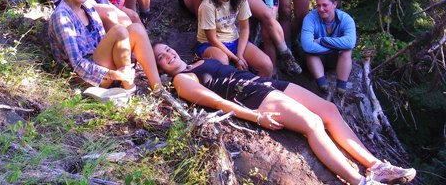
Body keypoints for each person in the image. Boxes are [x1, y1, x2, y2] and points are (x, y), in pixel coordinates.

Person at [153, 43, 416, 185]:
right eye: (162, 57)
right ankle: (360, 182)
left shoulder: (201, 60)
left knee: (329, 110)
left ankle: (376, 166)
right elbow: (216, 102)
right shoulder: (182, 80)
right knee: (312, 123)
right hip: (252, 97)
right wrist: (255, 116)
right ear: (161, 68)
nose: (168, 53)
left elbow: (217, 50)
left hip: (265, 84)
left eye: (167, 49)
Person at [49, 0, 162, 93]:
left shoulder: (87, 7)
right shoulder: (62, 16)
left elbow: (102, 40)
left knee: (136, 28)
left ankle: (158, 88)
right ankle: (129, 88)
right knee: (119, 31)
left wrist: (127, 61)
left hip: (102, 65)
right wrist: (114, 74)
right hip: (83, 76)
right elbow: (77, 63)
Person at [196, 0, 273, 78]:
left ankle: (259, 90)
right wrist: (236, 59)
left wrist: (240, 54)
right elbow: (212, 39)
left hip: (234, 40)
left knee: (267, 65)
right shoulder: (207, 5)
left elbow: (245, 28)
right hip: (210, 44)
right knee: (223, 63)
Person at [300, 0, 357, 95]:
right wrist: (335, 48)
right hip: (318, 57)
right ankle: (322, 85)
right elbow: (307, 45)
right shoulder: (310, 18)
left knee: (347, 51)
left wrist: (321, 40)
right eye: (318, 5)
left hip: (335, 58)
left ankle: (341, 87)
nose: (321, 9)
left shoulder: (346, 19)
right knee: (311, 53)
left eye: (325, 5)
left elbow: (350, 42)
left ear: (334, 4)